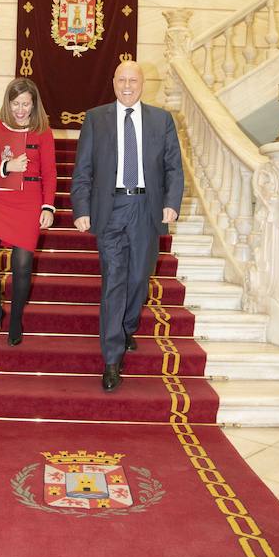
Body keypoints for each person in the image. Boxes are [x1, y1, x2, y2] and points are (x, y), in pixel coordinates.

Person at [71, 61, 183, 391]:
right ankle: (111, 358)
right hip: (111, 209)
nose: (128, 85)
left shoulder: (161, 120)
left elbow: (173, 168)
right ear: (114, 82)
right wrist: (81, 208)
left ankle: (127, 326)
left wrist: (171, 203)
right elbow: (83, 170)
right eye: (122, 79)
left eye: (133, 80)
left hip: (146, 209)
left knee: (138, 278)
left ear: (143, 83)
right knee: (114, 281)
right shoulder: (96, 118)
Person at [0, 79, 56, 346]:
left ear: (34, 104)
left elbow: (50, 173)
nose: (20, 109)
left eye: (25, 104)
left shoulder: (43, 131)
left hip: (29, 202)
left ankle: (17, 317)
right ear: (8, 104)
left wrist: (48, 206)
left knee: (21, 265)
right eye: (15, 103)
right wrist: (7, 165)